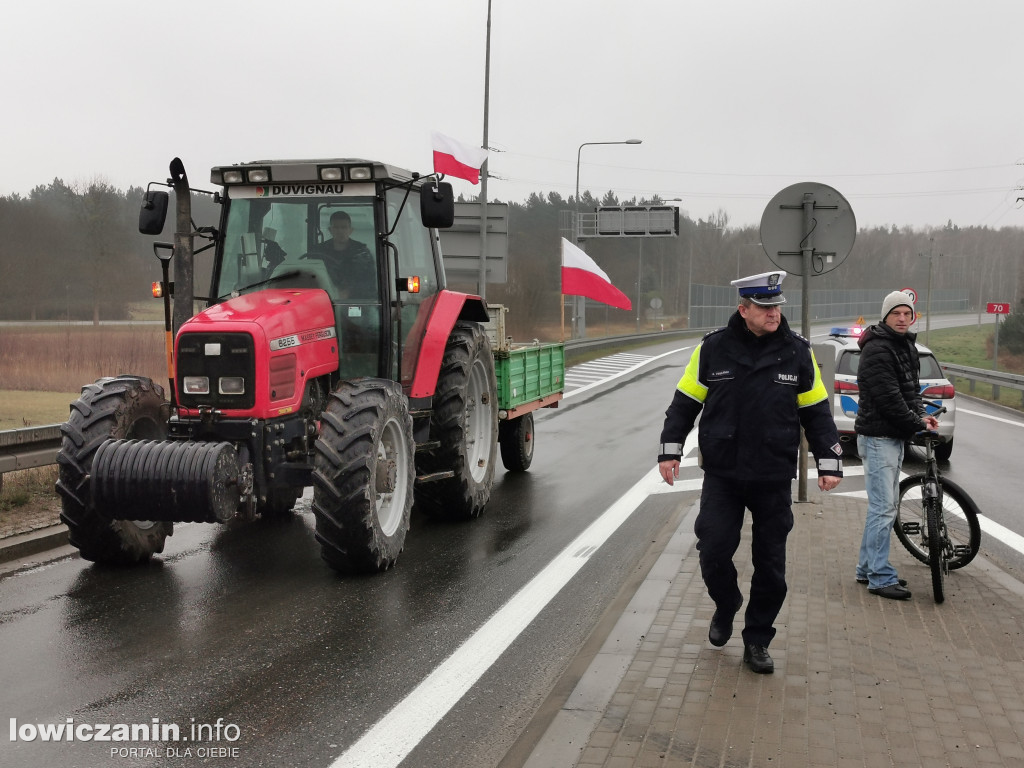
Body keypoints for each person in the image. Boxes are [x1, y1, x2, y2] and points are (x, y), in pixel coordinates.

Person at [657, 270, 843, 674]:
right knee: (713, 550)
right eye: (764, 306)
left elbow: (816, 412)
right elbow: (685, 403)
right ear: (743, 309)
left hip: (773, 475)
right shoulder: (712, 349)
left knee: (771, 566)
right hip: (724, 474)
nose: (773, 313)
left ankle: (757, 640)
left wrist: (829, 460)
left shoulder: (797, 352)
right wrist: (669, 451)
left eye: (777, 306)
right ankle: (726, 604)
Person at [854, 291, 939, 600]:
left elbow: (910, 392)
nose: (902, 318)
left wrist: (922, 416)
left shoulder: (905, 346)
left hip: (890, 437)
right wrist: (915, 423)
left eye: (907, 313)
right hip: (878, 438)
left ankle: (867, 569)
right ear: (885, 316)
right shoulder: (877, 349)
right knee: (883, 508)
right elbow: (888, 399)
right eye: (896, 313)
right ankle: (879, 577)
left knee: (882, 507)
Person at [308, 210, 376, 299]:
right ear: (330, 230)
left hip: (359, 301)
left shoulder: (362, 253)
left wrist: (349, 291)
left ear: (350, 230)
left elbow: (369, 281)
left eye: (344, 227)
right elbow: (313, 279)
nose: (340, 231)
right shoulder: (318, 252)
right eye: (336, 227)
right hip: (325, 299)